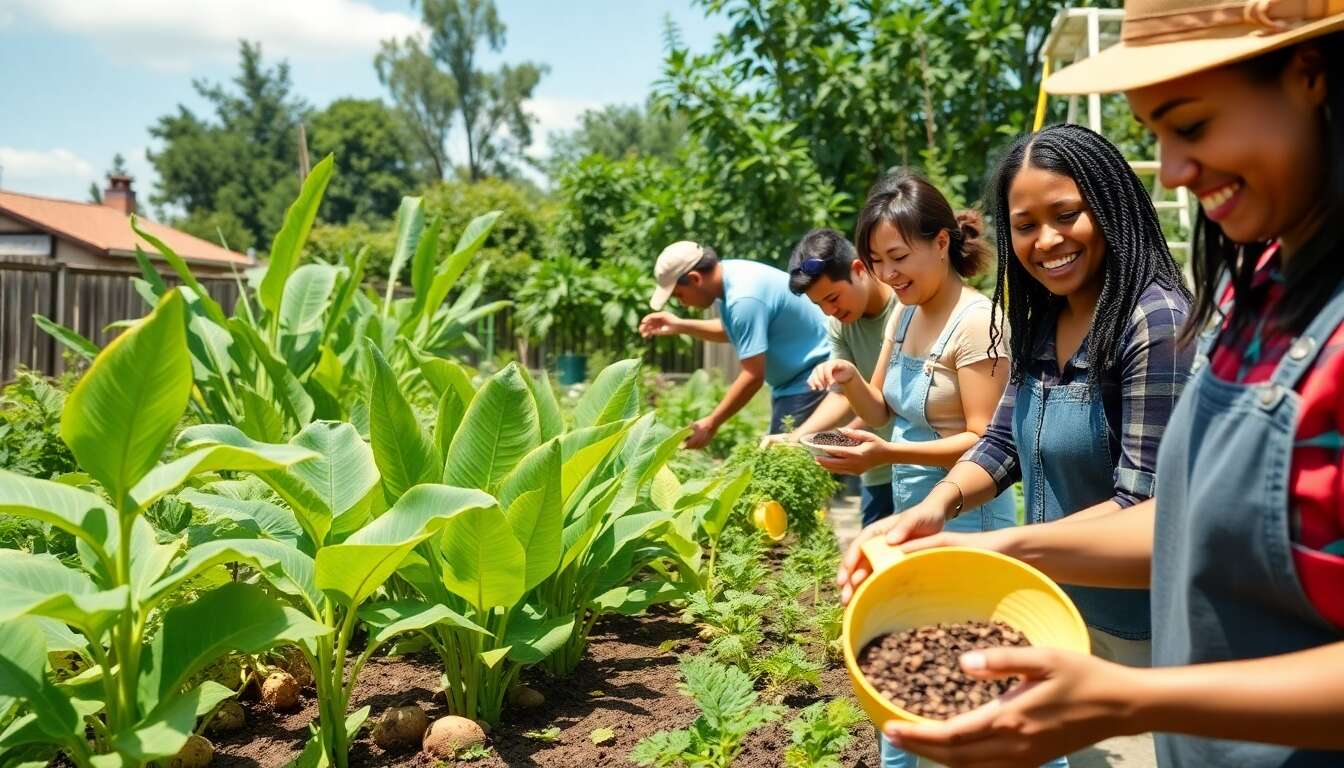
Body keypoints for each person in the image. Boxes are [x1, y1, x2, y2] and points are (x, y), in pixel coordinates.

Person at [839, 3, 1344, 766]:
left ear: (1309, 78)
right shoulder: (1255, 293)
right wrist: (958, 530)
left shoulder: (1160, 321)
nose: (1171, 169)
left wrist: (1130, 698)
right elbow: (1173, 521)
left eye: (1193, 126)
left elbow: (1147, 506)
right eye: (1158, 136)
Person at [807, 170, 1022, 768]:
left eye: (899, 256)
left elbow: (987, 441)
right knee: (907, 666)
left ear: (943, 242)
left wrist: (887, 454)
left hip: (969, 518)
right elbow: (880, 410)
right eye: (876, 261)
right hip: (912, 516)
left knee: (971, 676)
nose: (888, 274)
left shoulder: (979, 321)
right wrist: (849, 383)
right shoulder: (903, 316)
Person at [763, 227, 900, 527]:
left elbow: (886, 399)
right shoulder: (839, 325)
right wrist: (796, 438)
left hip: (919, 464)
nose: (830, 310)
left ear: (858, 269)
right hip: (877, 469)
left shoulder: (905, 309)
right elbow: (841, 395)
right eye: (819, 305)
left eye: (833, 297)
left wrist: (839, 436)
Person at [640, 241, 830, 448]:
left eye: (679, 295)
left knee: (788, 462)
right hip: (799, 383)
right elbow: (736, 331)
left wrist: (711, 423)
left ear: (695, 279)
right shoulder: (732, 274)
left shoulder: (743, 298)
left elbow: (752, 376)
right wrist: (680, 325)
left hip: (812, 382)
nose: (682, 303)